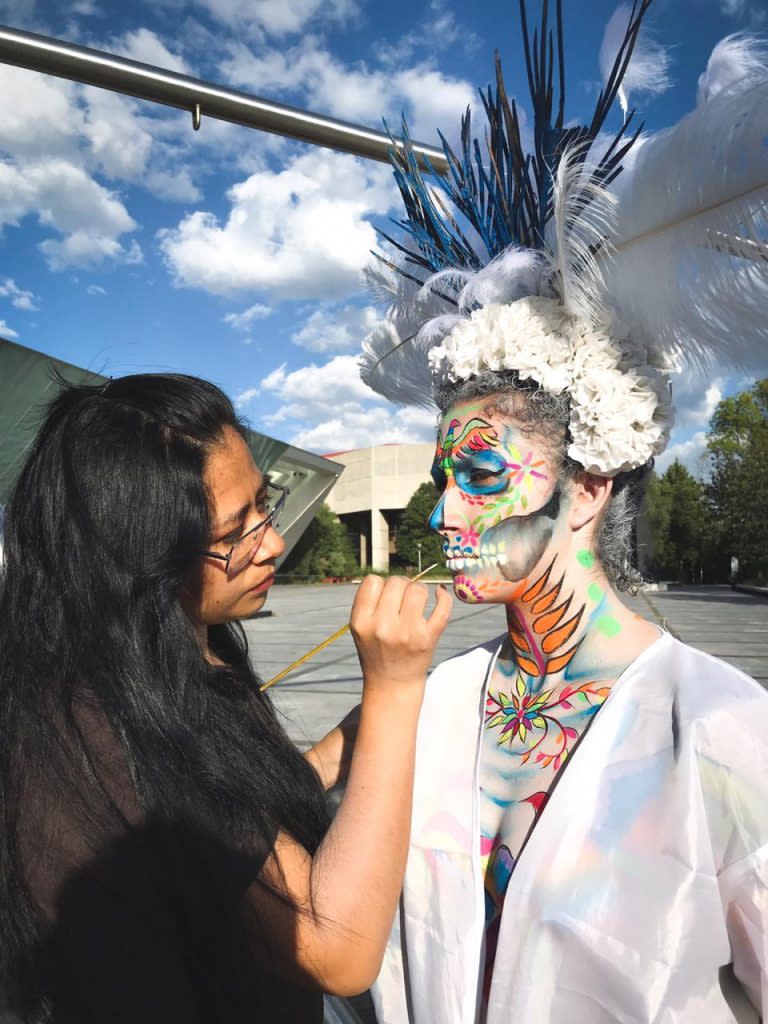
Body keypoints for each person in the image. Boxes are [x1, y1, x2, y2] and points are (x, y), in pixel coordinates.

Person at [358, 3, 768, 1021]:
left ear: (589, 481)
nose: (445, 511)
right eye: (442, 473)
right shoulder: (435, 701)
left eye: (484, 473)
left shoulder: (723, 733)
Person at [0, 373, 451, 1023]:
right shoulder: (118, 726)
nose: (271, 543)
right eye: (234, 531)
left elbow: (233, 822)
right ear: (143, 555)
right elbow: (338, 950)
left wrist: (343, 748)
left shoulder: (137, 660)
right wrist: (393, 689)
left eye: (264, 506)